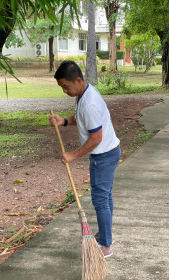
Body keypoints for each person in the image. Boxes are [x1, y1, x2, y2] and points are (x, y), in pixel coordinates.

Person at [49, 60, 120, 258]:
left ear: (78, 80)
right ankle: (106, 235)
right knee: (105, 197)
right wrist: (63, 121)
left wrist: (73, 155)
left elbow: (96, 137)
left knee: (100, 200)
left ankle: (105, 246)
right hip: (109, 151)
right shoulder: (84, 94)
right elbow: (81, 119)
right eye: (62, 87)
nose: (64, 91)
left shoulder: (89, 102)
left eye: (66, 86)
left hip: (103, 155)